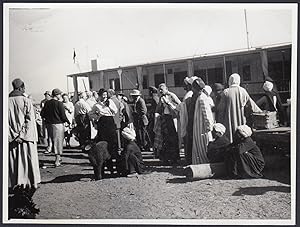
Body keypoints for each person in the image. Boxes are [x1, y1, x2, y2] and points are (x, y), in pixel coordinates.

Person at [8, 78, 41, 218]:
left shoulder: (6, 102)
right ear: (22, 88)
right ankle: (25, 200)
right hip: (26, 141)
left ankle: (16, 194)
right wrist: (22, 135)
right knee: (28, 169)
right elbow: (29, 121)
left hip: (12, 142)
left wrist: (14, 135)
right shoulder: (27, 101)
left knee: (14, 168)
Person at [218, 73, 262, 143]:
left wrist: (220, 122)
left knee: (230, 139)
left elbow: (221, 110)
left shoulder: (226, 92)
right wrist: (261, 112)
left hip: (229, 121)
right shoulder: (242, 91)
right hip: (241, 120)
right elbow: (252, 105)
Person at [89, 89, 119, 174]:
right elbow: (90, 114)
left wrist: (109, 106)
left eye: (106, 95)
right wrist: (97, 117)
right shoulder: (96, 105)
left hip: (110, 122)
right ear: (99, 95)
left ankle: (113, 168)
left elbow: (115, 111)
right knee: (103, 145)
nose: (105, 96)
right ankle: (103, 168)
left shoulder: (110, 102)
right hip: (102, 123)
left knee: (112, 145)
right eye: (103, 95)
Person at [41, 88, 70, 167]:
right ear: (57, 95)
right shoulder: (59, 104)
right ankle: (57, 160)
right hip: (58, 125)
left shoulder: (47, 103)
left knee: (53, 142)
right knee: (58, 142)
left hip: (49, 125)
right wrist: (68, 122)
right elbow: (63, 116)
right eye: (60, 94)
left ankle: (58, 158)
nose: (61, 96)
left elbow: (42, 114)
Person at [189, 78, 214, 164]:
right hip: (199, 127)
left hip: (202, 129)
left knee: (203, 148)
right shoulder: (200, 97)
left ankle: (203, 165)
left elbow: (207, 114)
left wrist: (209, 127)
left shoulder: (202, 98)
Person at [154, 83, 181, 165]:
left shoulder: (171, 95)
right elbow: (158, 109)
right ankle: (166, 158)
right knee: (165, 139)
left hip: (172, 119)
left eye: (162, 89)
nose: (160, 91)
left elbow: (179, 106)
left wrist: (168, 103)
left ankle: (174, 158)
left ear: (166, 88)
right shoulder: (161, 97)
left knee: (173, 139)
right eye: (159, 89)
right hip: (164, 119)